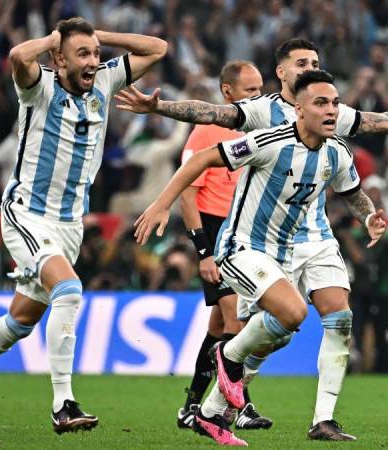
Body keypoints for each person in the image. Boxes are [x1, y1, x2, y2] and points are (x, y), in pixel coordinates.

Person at [116, 38, 388, 440]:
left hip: (312, 236)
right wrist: (158, 108)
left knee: (332, 318)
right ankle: (222, 376)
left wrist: (369, 217)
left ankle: (313, 418)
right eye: (301, 62)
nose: (330, 108)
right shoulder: (265, 116)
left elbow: (371, 133)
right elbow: (210, 114)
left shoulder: (330, 120)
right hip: (253, 240)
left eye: (314, 61)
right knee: (270, 322)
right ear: (282, 74)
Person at [0, 16, 167, 433]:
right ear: (58, 59)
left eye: (96, 54)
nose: (94, 61)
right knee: (69, 289)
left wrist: (102, 38)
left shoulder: (103, 80)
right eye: (83, 54)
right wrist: (52, 40)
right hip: (27, 212)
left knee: (21, 321)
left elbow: (157, 48)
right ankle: (64, 403)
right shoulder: (38, 85)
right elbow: (16, 56)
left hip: (69, 223)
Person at [177, 60, 272, 431]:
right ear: (227, 93)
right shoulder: (207, 131)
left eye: (260, 88)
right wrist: (204, 251)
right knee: (238, 321)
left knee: (219, 326)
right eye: (249, 90)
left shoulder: (263, 128)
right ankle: (240, 406)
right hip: (216, 234)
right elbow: (188, 193)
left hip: (243, 232)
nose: (257, 96)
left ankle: (189, 406)